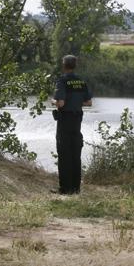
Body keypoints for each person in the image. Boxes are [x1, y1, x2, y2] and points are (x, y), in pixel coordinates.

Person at [53, 55, 92, 195]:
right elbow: (88, 102)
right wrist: (75, 103)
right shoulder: (81, 81)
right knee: (76, 154)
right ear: (75, 65)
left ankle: (64, 189)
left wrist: (54, 101)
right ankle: (76, 189)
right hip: (77, 122)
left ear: (64, 66)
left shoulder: (62, 81)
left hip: (65, 120)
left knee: (64, 154)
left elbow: (61, 103)